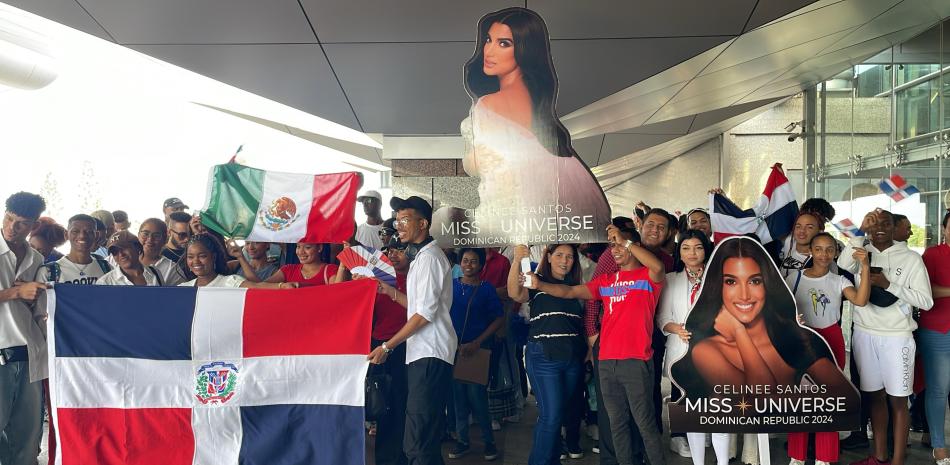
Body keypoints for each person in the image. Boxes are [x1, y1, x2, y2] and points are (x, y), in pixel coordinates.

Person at [454, 6, 610, 237]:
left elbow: (491, 173)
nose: (489, 50)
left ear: (525, 50)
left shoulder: (487, 106)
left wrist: (472, 161)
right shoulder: (539, 108)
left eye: (504, 43)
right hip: (560, 212)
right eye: (489, 40)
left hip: (518, 215)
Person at [525, 225, 667, 465]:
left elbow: (659, 267)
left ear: (635, 248)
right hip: (606, 361)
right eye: (613, 246)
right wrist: (540, 285)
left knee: (645, 424)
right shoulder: (606, 281)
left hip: (635, 360)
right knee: (616, 423)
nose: (616, 249)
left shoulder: (648, 277)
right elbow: (569, 292)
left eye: (621, 245)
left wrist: (625, 240)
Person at [673, 236, 855, 398]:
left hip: (788, 435)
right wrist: (739, 332)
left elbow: (846, 399)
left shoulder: (796, 338)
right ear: (718, 287)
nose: (744, 295)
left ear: (767, 284)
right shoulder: (706, 350)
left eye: (754, 281)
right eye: (731, 281)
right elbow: (759, 400)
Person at [838, 209, 934, 465]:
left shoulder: (912, 259)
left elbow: (926, 301)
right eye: (874, 223)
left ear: (895, 228)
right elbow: (840, 266)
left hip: (897, 337)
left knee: (898, 400)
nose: (879, 227)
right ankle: (879, 456)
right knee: (874, 396)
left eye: (886, 223)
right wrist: (859, 232)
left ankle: (898, 460)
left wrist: (889, 284)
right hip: (865, 334)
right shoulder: (861, 252)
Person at [367, 196, 457, 465]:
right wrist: (390, 292)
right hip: (423, 354)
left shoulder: (429, 259)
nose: (399, 225)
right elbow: (421, 306)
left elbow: (425, 315)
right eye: (398, 220)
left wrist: (386, 346)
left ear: (423, 223)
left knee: (418, 442)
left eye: (405, 220)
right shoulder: (421, 258)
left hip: (430, 353)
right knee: (420, 439)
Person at [785, 232, 871, 465]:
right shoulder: (794, 278)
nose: (824, 254)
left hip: (831, 339)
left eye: (830, 249)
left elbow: (861, 300)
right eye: (819, 249)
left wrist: (864, 266)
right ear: (811, 251)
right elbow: (781, 312)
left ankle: (825, 457)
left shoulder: (840, 280)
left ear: (836, 253)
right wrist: (794, 322)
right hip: (803, 340)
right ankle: (797, 456)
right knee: (800, 400)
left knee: (828, 399)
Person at [656, 229, 732, 465]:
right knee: (693, 415)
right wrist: (676, 328)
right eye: (686, 248)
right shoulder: (670, 279)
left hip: (717, 355)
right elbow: (662, 318)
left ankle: (722, 462)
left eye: (698, 247)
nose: (692, 253)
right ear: (679, 251)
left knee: (719, 415)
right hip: (682, 356)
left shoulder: (721, 278)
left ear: (706, 250)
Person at [508, 243, 586, 465]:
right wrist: (516, 260)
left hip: (572, 358)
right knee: (551, 417)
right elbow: (515, 293)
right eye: (559, 255)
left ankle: (552, 460)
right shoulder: (535, 280)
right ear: (548, 256)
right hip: (544, 357)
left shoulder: (576, 286)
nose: (564, 260)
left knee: (559, 414)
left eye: (569, 256)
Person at [0, 192, 50, 465]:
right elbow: (17, 295)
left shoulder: (36, 258)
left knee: (28, 440)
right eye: (9, 219)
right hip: (1, 352)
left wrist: (38, 300)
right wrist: (15, 293)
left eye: (21, 224)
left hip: (30, 353)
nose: (11, 227)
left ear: (34, 225)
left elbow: (36, 307)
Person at [355, 238, 410, 465]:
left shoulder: (417, 278)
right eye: (390, 250)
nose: (394, 254)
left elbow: (422, 312)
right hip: (378, 346)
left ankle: (402, 456)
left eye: (400, 249)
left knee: (402, 405)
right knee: (381, 404)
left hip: (406, 346)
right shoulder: (376, 279)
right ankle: (385, 458)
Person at [447, 248, 503, 461]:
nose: (468, 264)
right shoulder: (450, 286)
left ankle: (489, 442)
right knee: (457, 398)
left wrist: (477, 343)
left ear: (481, 265)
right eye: (465, 260)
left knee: (478, 399)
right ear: (459, 263)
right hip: (454, 350)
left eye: (473, 261)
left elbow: (499, 318)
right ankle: (463, 441)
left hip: (478, 351)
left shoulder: (487, 289)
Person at [920, 209, 950, 465]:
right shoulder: (932, 254)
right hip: (937, 329)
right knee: (939, 390)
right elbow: (925, 292)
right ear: (944, 229)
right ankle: (939, 446)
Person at [178, 234, 291, 289]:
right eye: (190, 257)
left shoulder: (231, 282)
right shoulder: (182, 289)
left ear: (213, 257)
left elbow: (256, 287)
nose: (195, 261)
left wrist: (282, 286)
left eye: (202, 256)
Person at [35, 214, 111, 285]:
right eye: (75, 231)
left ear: (96, 236)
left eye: (88, 232)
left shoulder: (106, 268)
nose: (82, 236)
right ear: (66, 235)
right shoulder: (49, 272)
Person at [97, 231, 163, 286]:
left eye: (124, 248)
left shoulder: (155, 272)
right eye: (115, 252)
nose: (121, 254)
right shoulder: (105, 283)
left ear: (137, 247)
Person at [264, 243, 342, 287]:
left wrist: (343, 266)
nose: (301, 252)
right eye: (298, 247)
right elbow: (261, 286)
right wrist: (281, 286)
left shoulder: (331, 270)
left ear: (320, 248)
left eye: (307, 247)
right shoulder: (288, 270)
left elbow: (338, 294)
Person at [137, 218, 185, 286]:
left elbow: (179, 295)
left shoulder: (172, 269)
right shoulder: (126, 261)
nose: (150, 239)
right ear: (138, 235)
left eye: (156, 236)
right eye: (145, 234)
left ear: (165, 239)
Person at [778, 211, 824, 277]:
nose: (802, 231)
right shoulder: (789, 242)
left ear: (820, 232)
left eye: (809, 227)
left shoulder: (823, 260)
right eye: (798, 226)